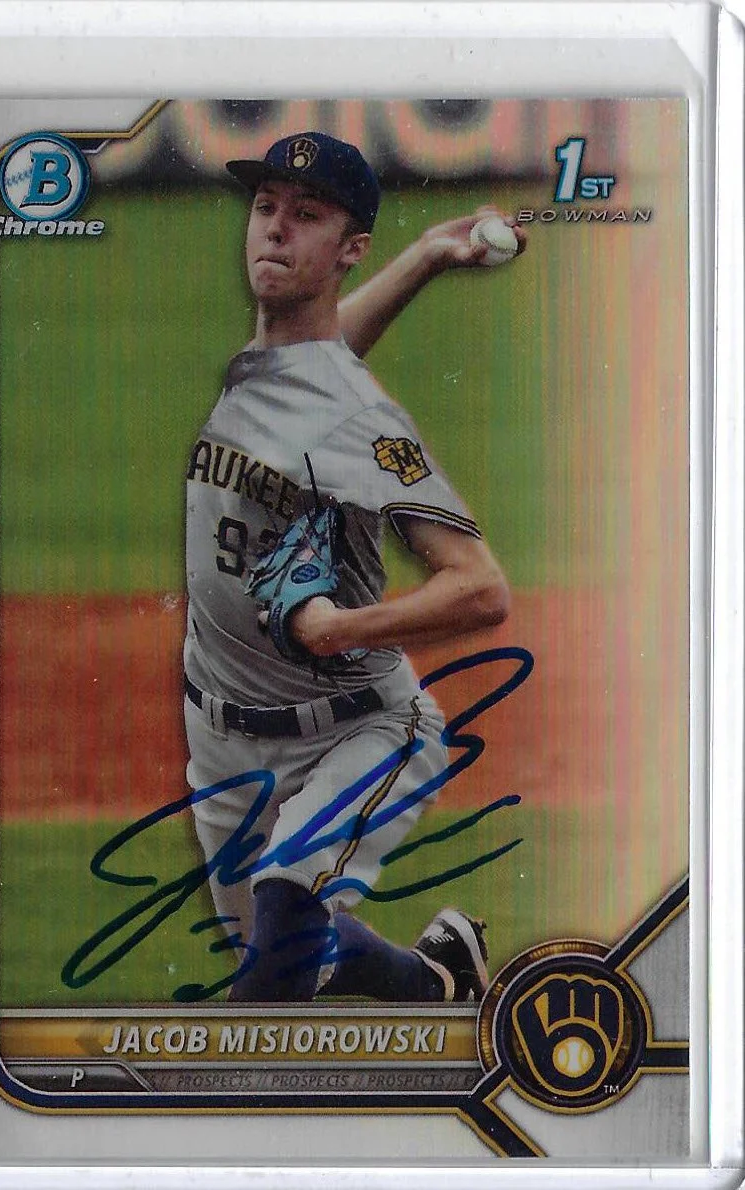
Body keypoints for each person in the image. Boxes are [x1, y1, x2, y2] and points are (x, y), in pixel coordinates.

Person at [183, 131, 522, 1003]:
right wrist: (426, 257)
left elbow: (481, 588)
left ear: (348, 248)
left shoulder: (363, 423)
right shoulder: (270, 367)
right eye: (266, 207)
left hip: (355, 730)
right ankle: (442, 976)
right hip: (221, 743)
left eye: (306, 215)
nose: (274, 228)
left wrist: (342, 627)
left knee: (272, 980)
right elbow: (321, 363)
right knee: (298, 955)